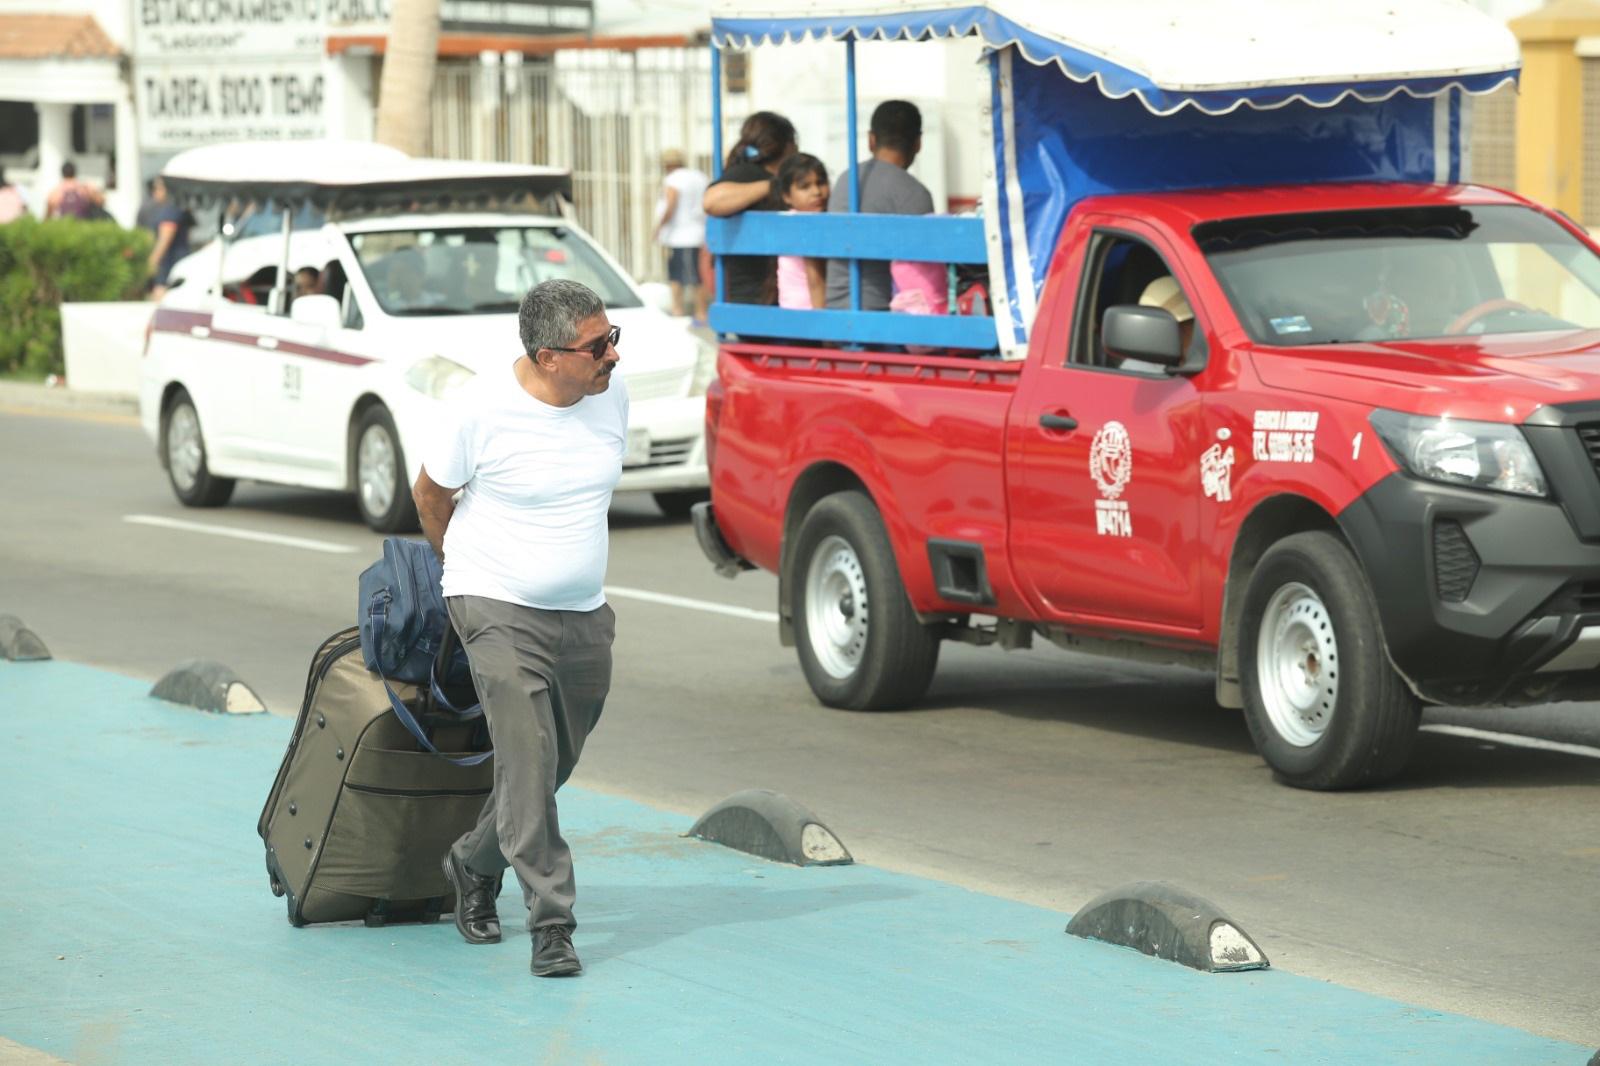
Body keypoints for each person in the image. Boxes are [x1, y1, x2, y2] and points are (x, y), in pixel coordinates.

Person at [413, 278, 626, 979]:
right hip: (496, 603)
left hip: (583, 610)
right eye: (597, 346)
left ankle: (473, 861)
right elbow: (431, 495)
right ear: (547, 356)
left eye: (611, 337)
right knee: (528, 760)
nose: (612, 355)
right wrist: (463, 573)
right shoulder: (481, 409)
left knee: (554, 763)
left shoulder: (609, 395)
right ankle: (552, 922)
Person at [824, 100, 935, 311]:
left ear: (871, 140)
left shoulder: (846, 179)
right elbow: (925, 273)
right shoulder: (915, 193)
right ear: (918, 142)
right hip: (882, 314)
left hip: (835, 309)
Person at [703, 111, 797, 305]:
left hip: (773, 292)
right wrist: (773, 186)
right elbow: (712, 201)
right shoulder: (749, 174)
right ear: (788, 146)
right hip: (754, 296)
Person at [653, 149, 709, 321]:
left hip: (681, 236)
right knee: (697, 274)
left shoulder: (674, 179)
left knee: (679, 276)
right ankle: (699, 311)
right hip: (699, 233)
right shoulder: (700, 177)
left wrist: (659, 227)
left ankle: (682, 310)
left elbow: (671, 203)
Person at [774, 154, 830, 310]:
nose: (816, 192)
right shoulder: (803, 223)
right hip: (809, 311)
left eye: (821, 183)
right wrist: (823, 321)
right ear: (786, 196)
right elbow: (815, 280)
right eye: (805, 187)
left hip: (792, 309)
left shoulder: (789, 220)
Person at [145, 176, 190, 300]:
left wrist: (151, 263)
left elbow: (164, 241)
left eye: (158, 188)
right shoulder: (177, 208)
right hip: (176, 264)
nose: (155, 192)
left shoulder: (171, 210)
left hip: (168, 266)